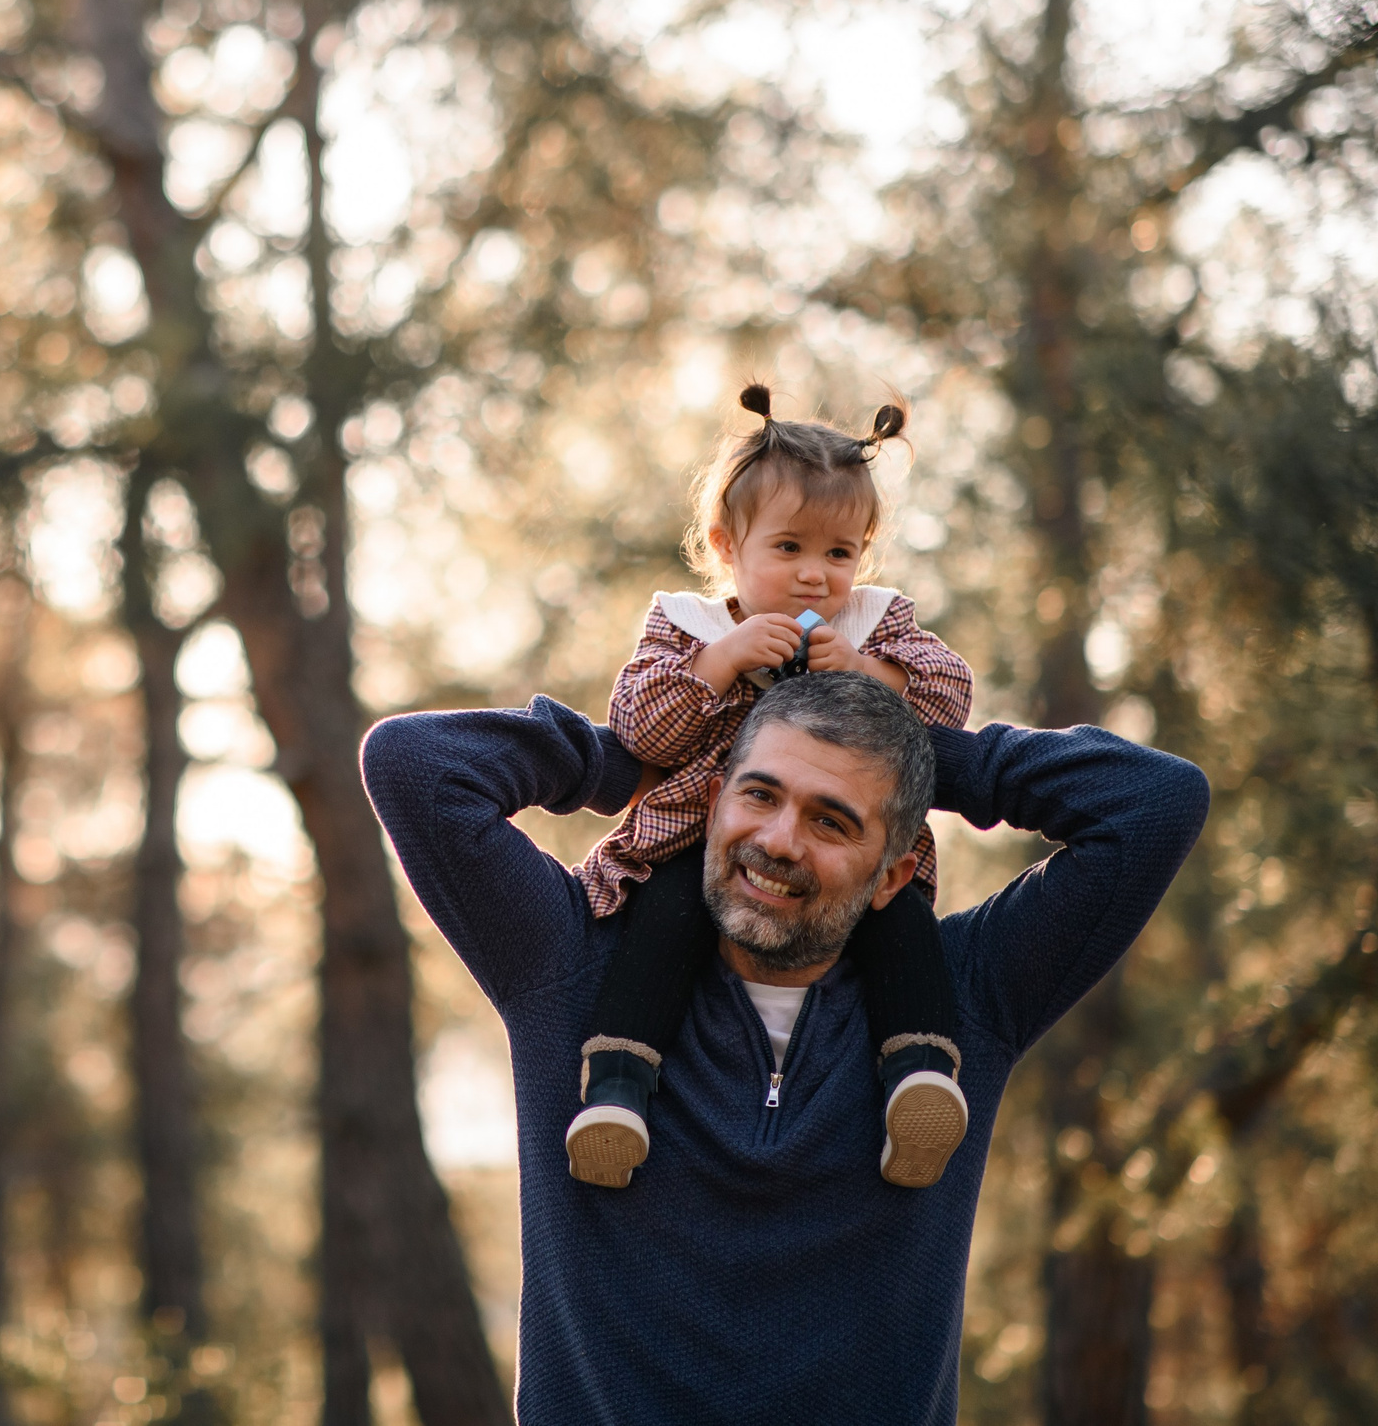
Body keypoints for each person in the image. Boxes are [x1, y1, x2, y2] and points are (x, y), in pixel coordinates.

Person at [360, 674, 1207, 1424]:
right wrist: (653, 745)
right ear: (713, 801)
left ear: (893, 872)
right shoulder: (574, 966)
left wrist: (922, 751)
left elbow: (1155, 801)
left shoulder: (966, 1000)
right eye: (759, 794)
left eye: (833, 819)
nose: (778, 840)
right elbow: (414, 762)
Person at [568, 384, 975, 1192]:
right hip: (701, 843)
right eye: (788, 547)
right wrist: (720, 663)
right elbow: (640, 728)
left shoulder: (875, 625)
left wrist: (867, 671)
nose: (816, 576)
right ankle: (618, 1087)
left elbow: (951, 700)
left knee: (903, 925)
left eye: (839, 553)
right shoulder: (690, 628)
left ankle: (919, 1076)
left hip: (844, 854)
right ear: (727, 544)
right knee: (663, 922)